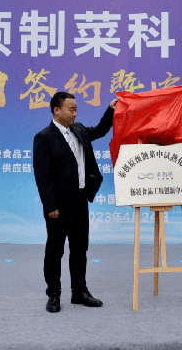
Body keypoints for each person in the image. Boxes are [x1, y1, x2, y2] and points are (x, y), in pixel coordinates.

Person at [33, 92, 118, 313]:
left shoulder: (78, 130)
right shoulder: (44, 137)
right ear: (57, 110)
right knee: (55, 251)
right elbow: (43, 177)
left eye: (76, 110)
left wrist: (111, 109)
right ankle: (53, 294)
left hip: (80, 201)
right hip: (58, 206)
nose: (74, 113)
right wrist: (50, 206)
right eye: (71, 109)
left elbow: (99, 130)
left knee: (80, 249)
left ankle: (79, 291)